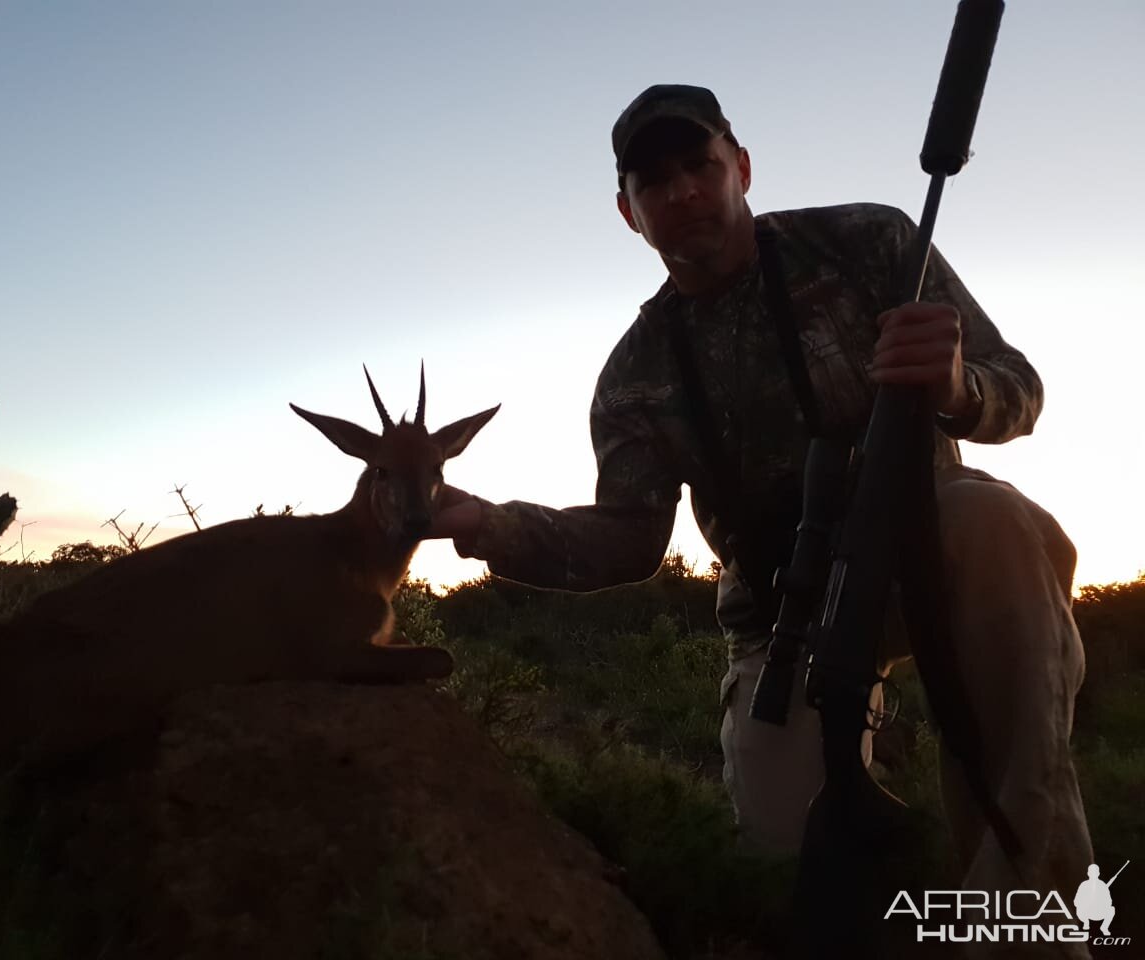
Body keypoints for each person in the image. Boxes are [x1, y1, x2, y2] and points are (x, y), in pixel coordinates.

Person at [427, 83, 1091, 925]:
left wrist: (958, 386)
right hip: (784, 617)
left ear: (740, 166)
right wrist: (488, 525)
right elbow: (629, 542)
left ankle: (1024, 927)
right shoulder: (634, 375)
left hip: (928, 546)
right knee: (786, 866)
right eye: (653, 182)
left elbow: (1019, 392)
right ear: (629, 213)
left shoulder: (870, 241)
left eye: (699, 165)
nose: (683, 192)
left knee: (996, 524)